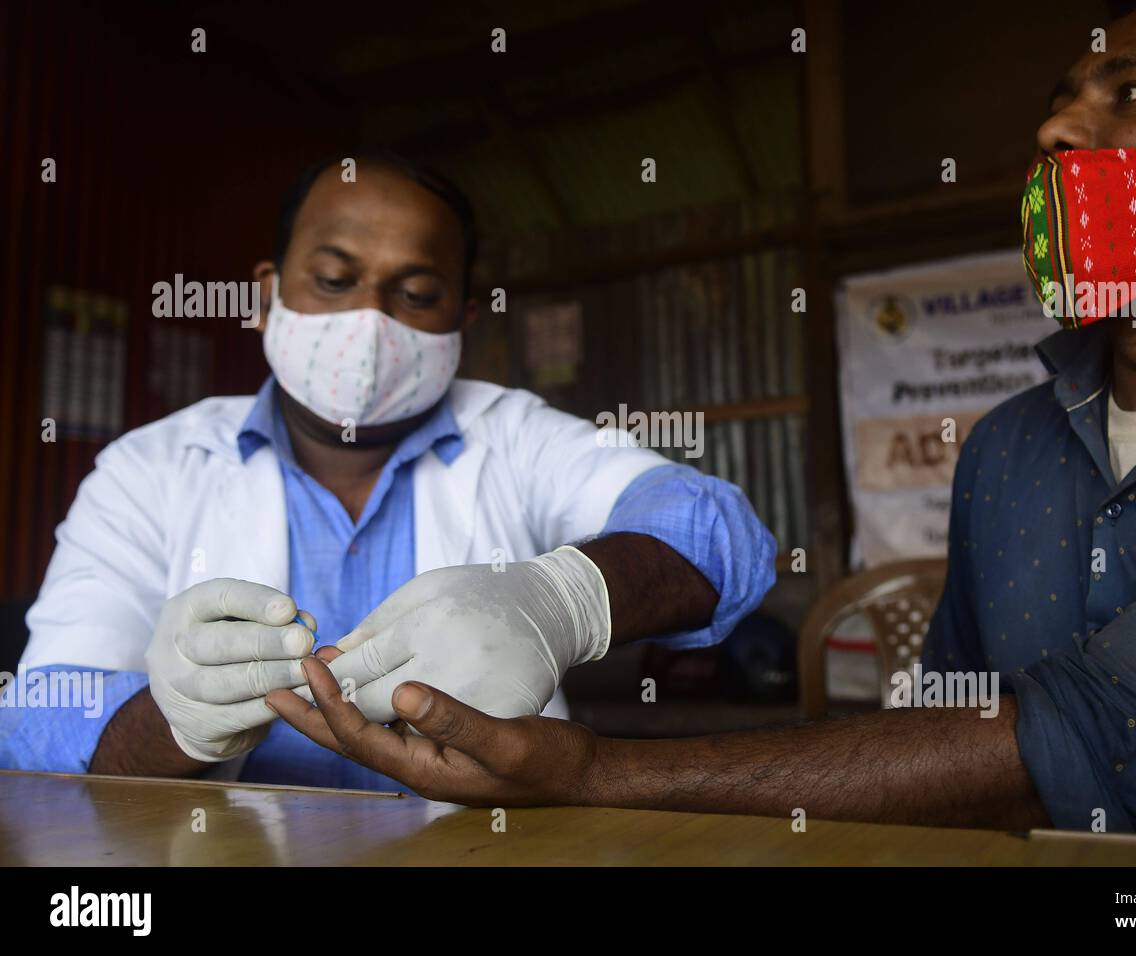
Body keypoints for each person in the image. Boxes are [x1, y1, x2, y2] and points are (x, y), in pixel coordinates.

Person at [270, 0, 1136, 837]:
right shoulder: (1009, 448)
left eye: (1133, 93)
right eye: (1059, 101)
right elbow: (944, 739)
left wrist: (590, 744)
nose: (1057, 132)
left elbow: (1082, 745)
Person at [1, 153, 776, 795]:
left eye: (417, 294)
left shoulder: (511, 435)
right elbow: (37, 716)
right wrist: (172, 723)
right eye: (335, 280)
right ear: (267, 297)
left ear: (462, 323)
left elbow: (719, 532)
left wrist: (565, 601)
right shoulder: (149, 467)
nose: (369, 321)